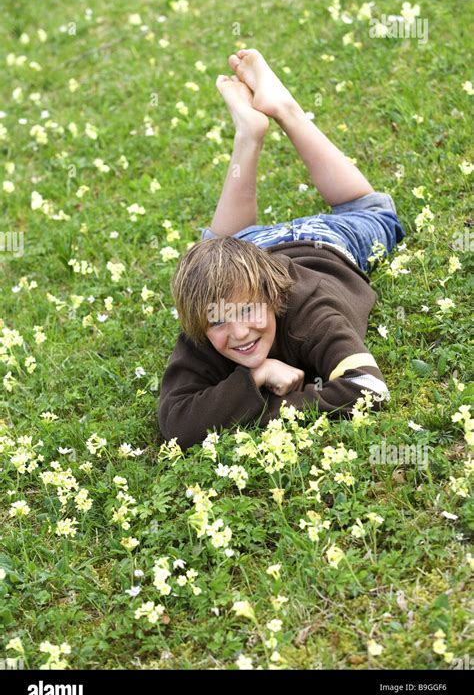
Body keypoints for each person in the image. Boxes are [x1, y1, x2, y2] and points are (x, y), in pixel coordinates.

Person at [158, 49, 405, 449]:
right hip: (248, 249)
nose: (238, 333)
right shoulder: (202, 319)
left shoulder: (310, 312)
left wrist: (268, 404)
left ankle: (285, 109)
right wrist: (254, 378)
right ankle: (249, 132)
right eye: (219, 321)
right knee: (215, 251)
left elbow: (370, 389)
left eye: (247, 312)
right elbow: (176, 425)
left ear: (273, 297)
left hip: (325, 241)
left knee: (371, 211)